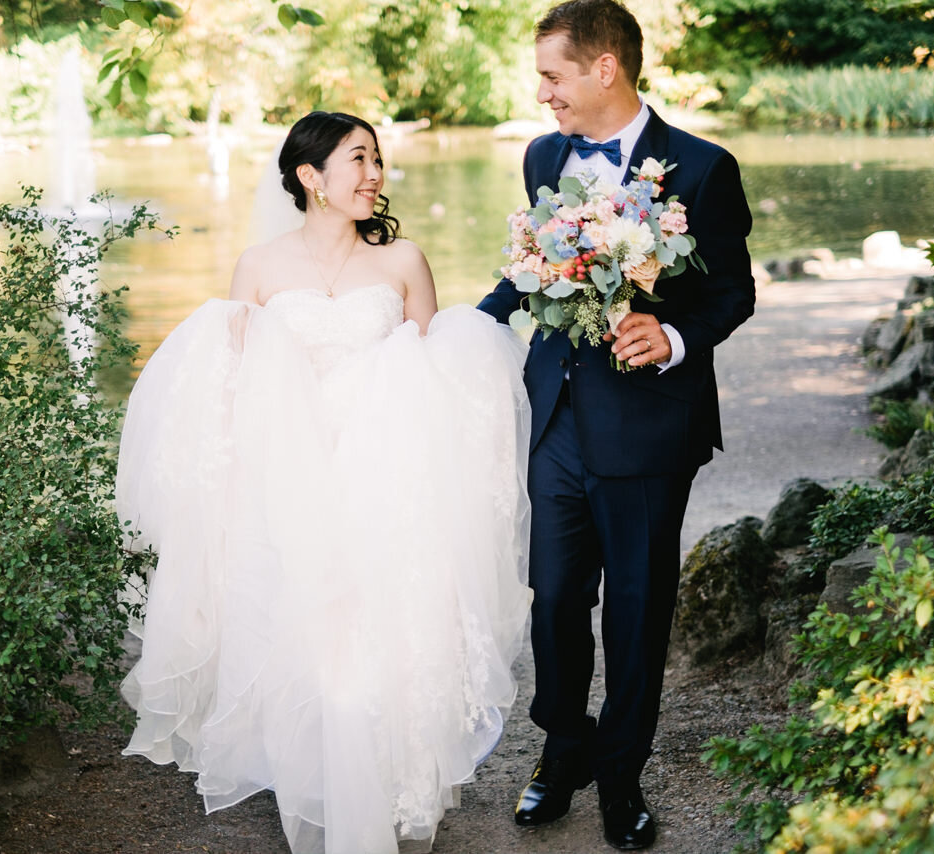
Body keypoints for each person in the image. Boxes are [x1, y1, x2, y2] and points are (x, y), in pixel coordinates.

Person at [115, 111, 533, 854]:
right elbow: (234, 382)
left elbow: (434, 378)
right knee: (306, 635)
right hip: (290, 482)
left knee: (384, 637)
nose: (374, 175)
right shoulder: (260, 265)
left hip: (386, 476)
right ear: (311, 177)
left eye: (377, 159)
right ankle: (326, 786)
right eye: (358, 159)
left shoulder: (404, 260)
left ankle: (385, 787)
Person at [477, 1, 756, 849]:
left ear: (605, 69)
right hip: (555, 414)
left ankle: (623, 773)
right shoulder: (542, 157)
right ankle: (563, 751)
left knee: (636, 608)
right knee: (555, 598)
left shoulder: (703, 169)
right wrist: (455, 328)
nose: (543, 96)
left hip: (648, 425)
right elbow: (533, 273)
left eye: (553, 76)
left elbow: (732, 295)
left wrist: (671, 335)